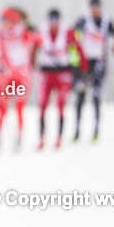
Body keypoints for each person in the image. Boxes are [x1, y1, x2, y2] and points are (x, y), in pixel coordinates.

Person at [72, 0, 114, 141]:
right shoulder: (83, 21)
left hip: (100, 63)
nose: (95, 10)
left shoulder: (107, 21)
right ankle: (77, 130)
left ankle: (95, 130)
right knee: (80, 96)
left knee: (95, 96)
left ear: (100, 8)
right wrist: (75, 56)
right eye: (92, 7)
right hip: (85, 64)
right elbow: (72, 37)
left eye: (97, 7)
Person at [34, 9, 85, 149]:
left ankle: (59, 138)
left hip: (63, 72)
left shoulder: (67, 32)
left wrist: (81, 70)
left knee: (61, 105)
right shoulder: (41, 31)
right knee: (43, 105)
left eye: (56, 21)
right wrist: (32, 64)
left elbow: (78, 49)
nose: (53, 24)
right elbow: (33, 47)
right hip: (46, 72)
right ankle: (41, 138)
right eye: (51, 21)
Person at [0, 7, 38, 148]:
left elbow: (38, 39)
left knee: (19, 107)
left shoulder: (23, 31)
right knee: (2, 105)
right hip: (8, 74)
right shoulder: (1, 34)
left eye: (4, 19)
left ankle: (20, 136)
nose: (2, 22)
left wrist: (31, 27)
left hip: (23, 74)